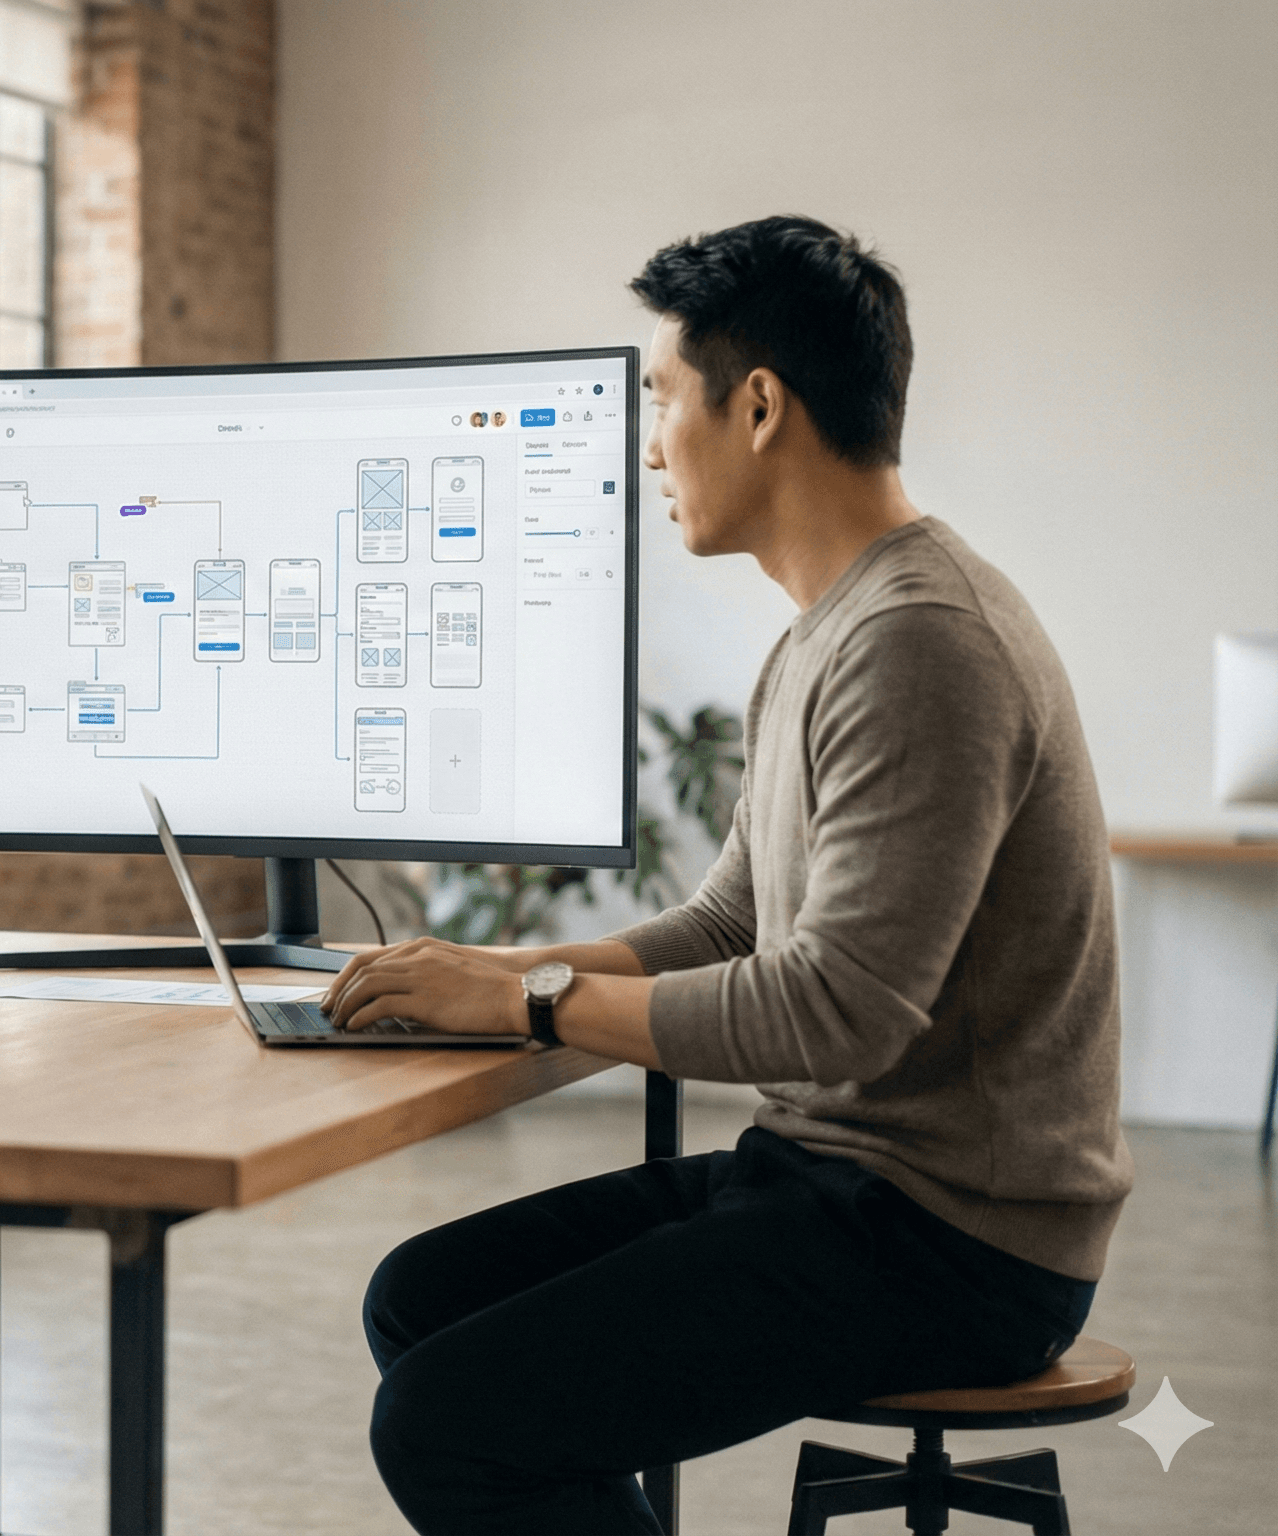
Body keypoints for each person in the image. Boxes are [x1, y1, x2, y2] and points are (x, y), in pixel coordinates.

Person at [320, 216, 1133, 1535]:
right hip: (835, 1178)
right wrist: (491, 973)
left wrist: (528, 1003)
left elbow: (836, 1011)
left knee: (447, 1423)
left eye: (659, 401)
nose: (649, 447)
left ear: (756, 405)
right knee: (421, 1300)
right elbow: (733, 919)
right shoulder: (833, 629)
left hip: (955, 1240)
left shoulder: (922, 642)